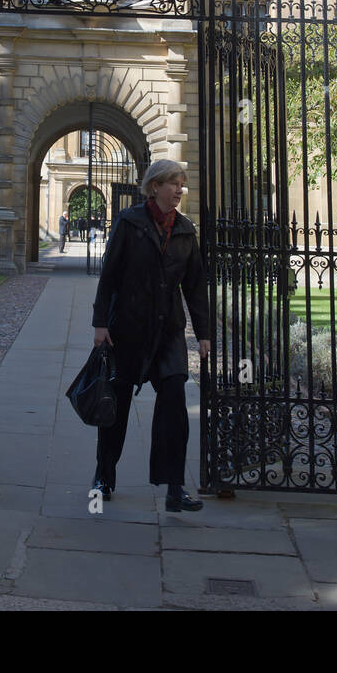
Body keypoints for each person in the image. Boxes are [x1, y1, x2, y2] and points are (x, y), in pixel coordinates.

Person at [90, 158, 211, 512]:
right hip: (127, 328)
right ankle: (103, 475)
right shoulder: (129, 223)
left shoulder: (186, 231)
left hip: (168, 329)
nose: (179, 190)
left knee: (174, 397)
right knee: (116, 405)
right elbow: (109, 275)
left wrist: (203, 333)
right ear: (154, 186)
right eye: (173, 183)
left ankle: (175, 488)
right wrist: (100, 324)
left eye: (181, 184)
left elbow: (196, 286)